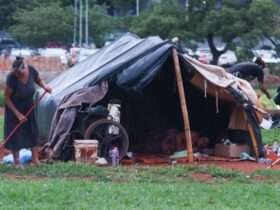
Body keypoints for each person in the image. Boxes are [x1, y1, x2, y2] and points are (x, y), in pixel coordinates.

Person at [4, 56, 52, 166]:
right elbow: (6, 98)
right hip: (14, 109)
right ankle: (17, 162)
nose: (18, 76)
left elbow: (39, 80)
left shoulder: (31, 70)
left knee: (33, 132)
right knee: (15, 135)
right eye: (16, 74)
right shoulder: (11, 78)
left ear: (25, 68)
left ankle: (35, 160)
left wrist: (45, 86)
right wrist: (18, 115)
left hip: (29, 106)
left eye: (20, 74)